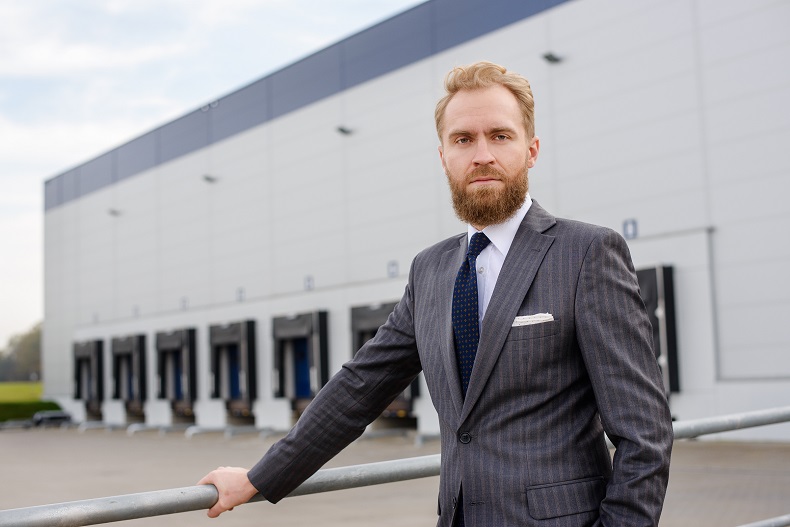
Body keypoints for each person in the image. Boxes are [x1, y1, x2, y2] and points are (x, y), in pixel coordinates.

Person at [198, 61, 673, 526]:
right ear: (443, 156)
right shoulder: (429, 270)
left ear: (531, 150)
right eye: (463, 139)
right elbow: (361, 386)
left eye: (500, 136)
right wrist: (259, 478)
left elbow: (644, 433)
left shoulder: (586, 253)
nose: (482, 154)